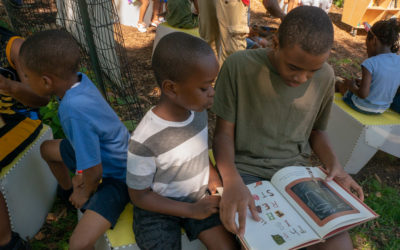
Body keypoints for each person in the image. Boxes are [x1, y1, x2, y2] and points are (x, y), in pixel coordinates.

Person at [211, 6, 364, 250]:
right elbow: (223, 134)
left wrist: (336, 166)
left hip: (296, 173)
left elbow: (317, 132)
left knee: (340, 244)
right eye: (293, 67)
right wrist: (231, 181)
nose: (301, 78)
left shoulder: (325, 76)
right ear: (275, 44)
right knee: (264, 241)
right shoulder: (239, 66)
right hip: (245, 171)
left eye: (311, 71)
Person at [18, 29, 130, 250]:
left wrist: (85, 190)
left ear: (46, 81)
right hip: (102, 154)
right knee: (47, 149)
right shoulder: (79, 80)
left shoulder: (72, 109)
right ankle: (67, 191)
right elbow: (88, 143)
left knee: (79, 243)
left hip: (118, 176)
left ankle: (80, 198)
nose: (26, 82)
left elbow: (95, 171)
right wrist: (79, 175)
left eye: (27, 77)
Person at [126, 32, 239, 250]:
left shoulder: (197, 112)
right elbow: (139, 196)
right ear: (171, 88)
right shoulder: (144, 140)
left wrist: (213, 178)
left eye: (212, 85)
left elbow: (199, 152)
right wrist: (190, 211)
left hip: (198, 197)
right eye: (204, 88)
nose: (212, 93)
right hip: (157, 210)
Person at [0, 26, 49, 250]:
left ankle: (8, 243)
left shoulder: (14, 47)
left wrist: (10, 86)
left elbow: (40, 100)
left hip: (16, 121)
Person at [337, 19, 400, 114]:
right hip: (382, 109)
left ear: (374, 40)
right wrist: (363, 83)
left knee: (339, 83)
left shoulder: (370, 63)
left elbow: (363, 94)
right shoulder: (398, 60)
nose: (367, 51)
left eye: (367, 47)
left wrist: (351, 86)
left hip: (362, 106)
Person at [198, 0, 285, 65]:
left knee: (208, 46)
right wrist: (284, 16)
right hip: (231, 3)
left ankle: (210, 85)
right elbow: (269, 3)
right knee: (233, 57)